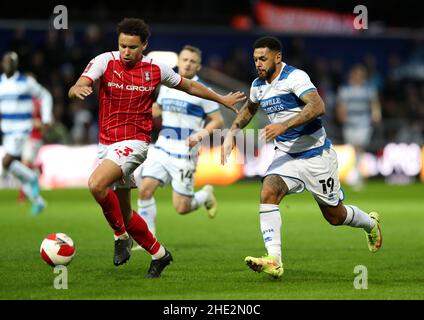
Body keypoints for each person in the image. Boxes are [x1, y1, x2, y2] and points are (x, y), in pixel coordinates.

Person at [68, 18, 244, 278]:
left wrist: (221, 98)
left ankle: (120, 238)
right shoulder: (105, 60)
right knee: (126, 213)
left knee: (96, 184)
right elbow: (82, 82)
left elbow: (191, 86)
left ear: (144, 45)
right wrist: (77, 88)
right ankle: (159, 254)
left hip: (136, 143)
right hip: (107, 144)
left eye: (132, 47)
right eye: (122, 46)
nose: (126, 52)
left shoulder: (156, 69)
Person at [221, 36, 382, 279]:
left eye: (263, 59)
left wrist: (284, 125)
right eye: (255, 59)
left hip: (316, 155)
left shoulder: (295, 78)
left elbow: (318, 107)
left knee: (335, 216)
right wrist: (231, 132)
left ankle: (370, 224)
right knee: (268, 191)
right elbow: (249, 110)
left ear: (278, 57)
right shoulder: (258, 85)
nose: (258, 64)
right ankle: (274, 260)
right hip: (286, 155)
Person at [132, 45, 223, 250]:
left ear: (198, 66)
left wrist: (200, 134)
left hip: (185, 152)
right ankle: (148, 239)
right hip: (163, 146)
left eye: (192, 61)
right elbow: (159, 109)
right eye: (184, 59)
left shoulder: (203, 91)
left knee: (181, 208)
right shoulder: (167, 84)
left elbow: (217, 121)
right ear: (179, 61)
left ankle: (205, 194)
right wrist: (140, 111)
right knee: (145, 190)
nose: (187, 63)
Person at [0, 51, 52, 215]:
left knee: (6, 163)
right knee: (9, 169)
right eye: (6, 62)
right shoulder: (1, 83)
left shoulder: (26, 82)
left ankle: (31, 176)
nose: (7, 65)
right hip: (7, 132)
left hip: (21, 130)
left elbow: (45, 95)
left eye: (11, 62)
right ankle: (37, 200)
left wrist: (45, 118)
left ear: (16, 65)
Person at [336, 64, 382, 190]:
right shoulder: (345, 89)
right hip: (350, 123)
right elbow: (341, 104)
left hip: (364, 122)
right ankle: (356, 173)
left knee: (360, 147)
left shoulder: (369, 89)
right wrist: (341, 115)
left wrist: (376, 113)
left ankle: (357, 174)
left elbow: (374, 102)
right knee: (353, 148)